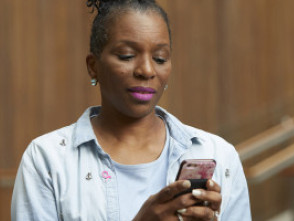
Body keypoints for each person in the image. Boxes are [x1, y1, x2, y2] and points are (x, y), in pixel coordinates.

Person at [11, 0, 252, 220]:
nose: (147, 70)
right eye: (127, 55)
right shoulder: (47, 159)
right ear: (93, 66)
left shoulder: (220, 155)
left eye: (160, 58)